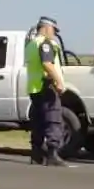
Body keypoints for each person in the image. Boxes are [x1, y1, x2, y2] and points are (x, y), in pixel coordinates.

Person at [25, 16, 68, 167]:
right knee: (53, 120)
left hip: (34, 88)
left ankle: (36, 154)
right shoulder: (45, 43)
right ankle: (52, 154)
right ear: (46, 28)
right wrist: (60, 82)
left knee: (38, 121)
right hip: (46, 86)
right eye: (53, 30)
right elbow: (47, 64)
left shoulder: (31, 44)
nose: (54, 34)